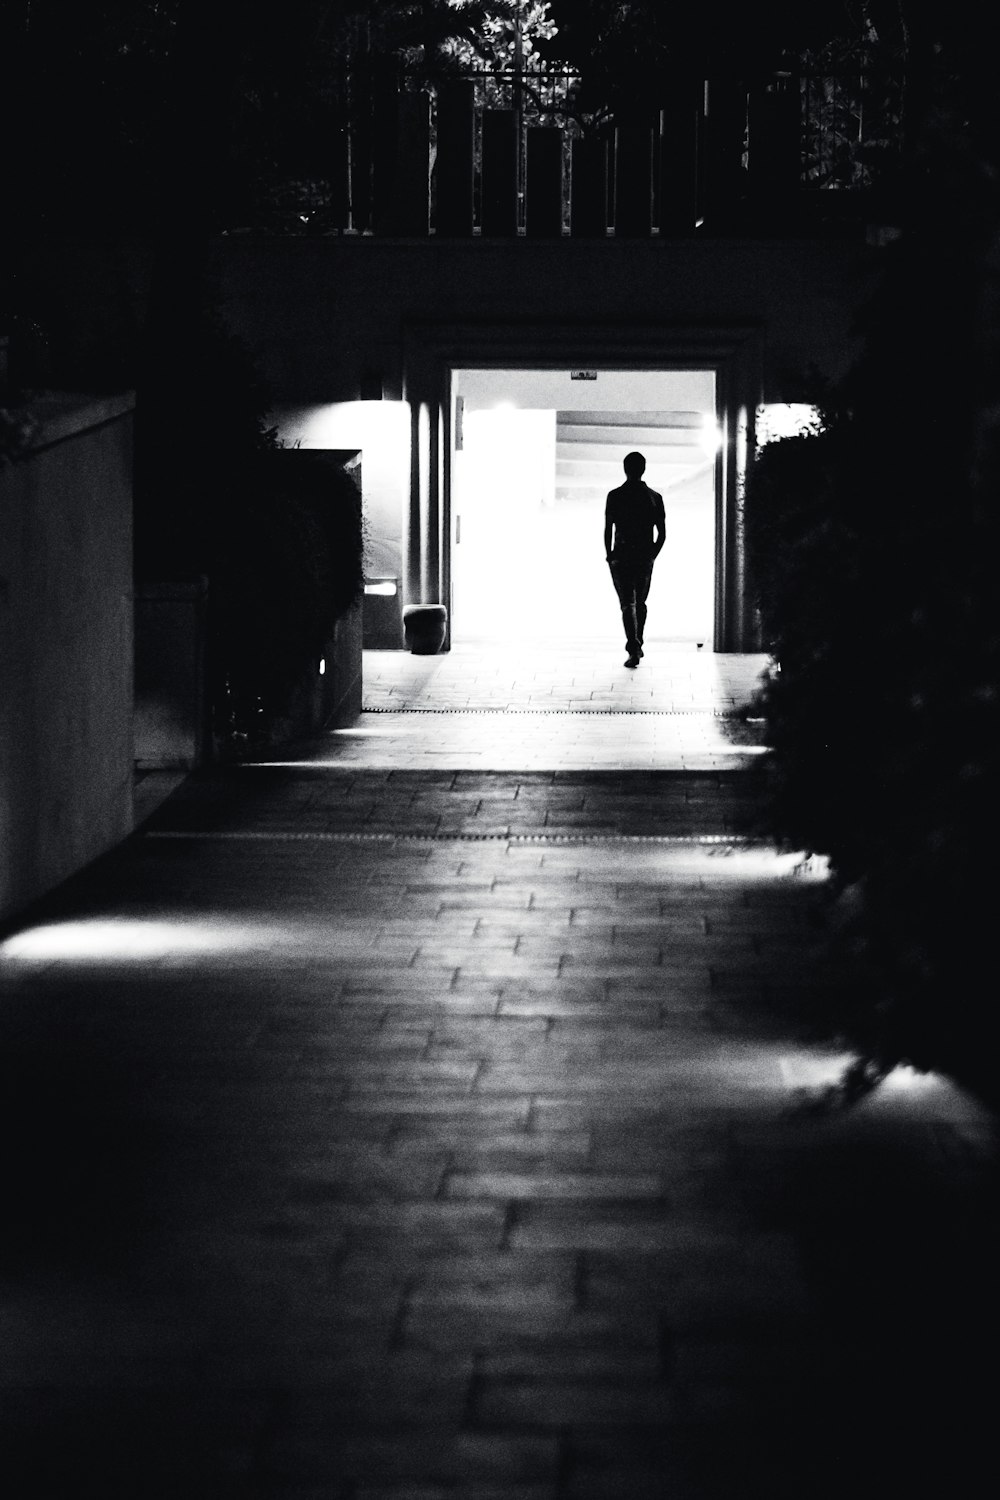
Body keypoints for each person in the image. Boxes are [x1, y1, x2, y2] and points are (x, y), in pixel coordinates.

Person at [604, 451, 665, 668]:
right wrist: (652, 556)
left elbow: (608, 529)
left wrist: (609, 555)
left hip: (621, 556)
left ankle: (633, 645)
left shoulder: (615, 496)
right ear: (643, 469)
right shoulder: (654, 498)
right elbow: (662, 534)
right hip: (644, 557)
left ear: (625, 469)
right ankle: (638, 643)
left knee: (627, 604)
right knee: (640, 603)